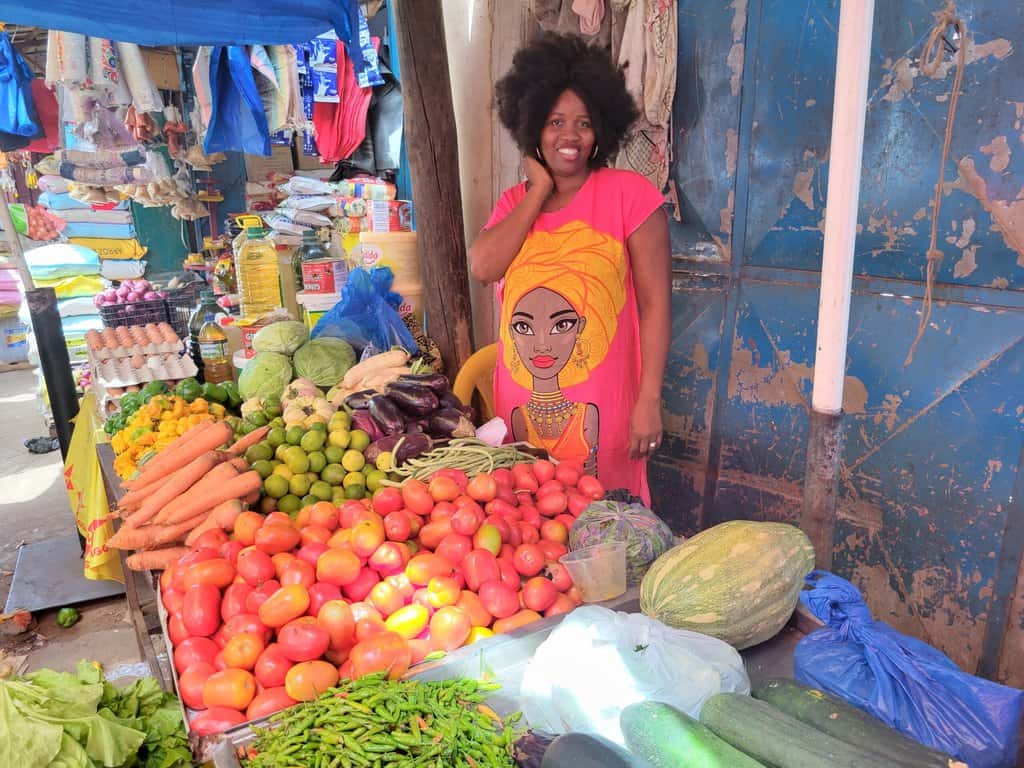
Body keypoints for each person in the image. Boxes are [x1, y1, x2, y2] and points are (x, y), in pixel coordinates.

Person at [468, 33, 671, 502]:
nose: (570, 136)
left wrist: (649, 401)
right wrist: (537, 190)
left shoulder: (630, 196)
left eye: (583, 123)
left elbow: (656, 306)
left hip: (609, 411)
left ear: (601, 128)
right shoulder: (515, 204)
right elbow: (483, 266)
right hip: (520, 411)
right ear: (532, 125)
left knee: (608, 530)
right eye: (555, 121)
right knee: (529, 530)